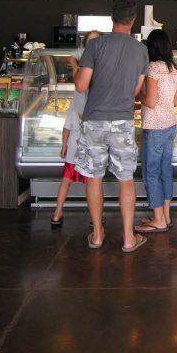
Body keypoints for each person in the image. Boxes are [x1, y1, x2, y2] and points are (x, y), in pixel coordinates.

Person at [74, 0, 150, 253]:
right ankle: (129, 239)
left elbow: (81, 86)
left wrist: (78, 70)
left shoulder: (95, 45)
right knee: (126, 179)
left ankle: (97, 235)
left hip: (94, 120)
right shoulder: (140, 50)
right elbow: (136, 89)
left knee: (94, 178)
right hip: (122, 121)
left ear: (112, 19)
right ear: (133, 21)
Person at [51, 30, 102, 226]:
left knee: (70, 179)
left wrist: (64, 145)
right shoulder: (92, 65)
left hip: (80, 139)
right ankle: (95, 220)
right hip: (89, 135)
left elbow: (67, 126)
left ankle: (58, 213)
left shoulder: (76, 102)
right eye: (90, 41)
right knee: (92, 180)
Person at [135, 29, 177, 234]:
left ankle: (159, 220)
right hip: (170, 125)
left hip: (155, 127)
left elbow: (151, 101)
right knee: (165, 170)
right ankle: (165, 216)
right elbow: (176, 101)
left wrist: (138, 96)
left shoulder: (153, 67)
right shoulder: (174, 68)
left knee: (151, 173)